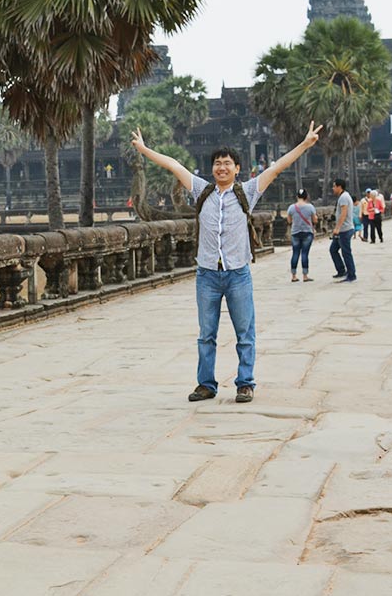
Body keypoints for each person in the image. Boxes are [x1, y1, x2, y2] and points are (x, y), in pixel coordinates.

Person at [131, 120, 323, 404]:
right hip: (207, 274)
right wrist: (145, 150)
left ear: (237, 169)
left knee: (245, 332)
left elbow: (277, 166)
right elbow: (174, 165)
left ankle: (245, 383)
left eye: (228, 163)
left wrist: (305, 144)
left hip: (238, 274)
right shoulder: (201, 191)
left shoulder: (247, 192)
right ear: (212, 169)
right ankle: (206, 384)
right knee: (206, 334)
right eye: (218, 163)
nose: (222, 167)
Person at [329, 178, 357, 283]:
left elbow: (343, 214)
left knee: (346, 252)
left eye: (334, 186)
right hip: (342, 229)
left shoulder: (344, 197)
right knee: (333, 249)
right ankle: (341, 270)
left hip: (345, 229)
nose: (333, 188)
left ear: (339, 187)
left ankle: (351, 274)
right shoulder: (343, 196)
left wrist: (337, 228)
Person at [287, 189, 318, 282]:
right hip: (307, 232)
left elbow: (289, 221)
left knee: (295, 253)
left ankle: (293, 276)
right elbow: (315, 220)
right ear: (306, 197)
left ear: (297, 196)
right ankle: (305, 275)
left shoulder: (291, 207)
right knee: (304, 253)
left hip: (295, 233)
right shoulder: (310, 207)